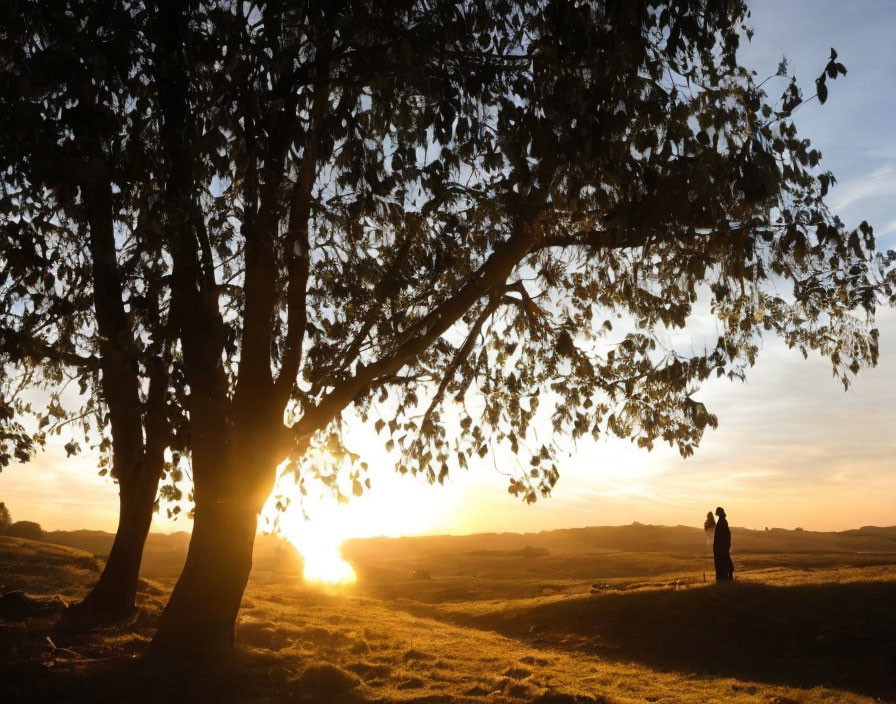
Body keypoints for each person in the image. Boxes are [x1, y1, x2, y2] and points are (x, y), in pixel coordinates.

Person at [712, 506, 733, 581]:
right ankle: (726, 576)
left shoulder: (722, 521)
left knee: (723, 559)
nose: (716, 512)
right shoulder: (722, 520)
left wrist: (723, 545)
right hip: (721, 545)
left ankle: (725, 576)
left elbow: (725, 534)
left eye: (717, 511)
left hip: (721, 546)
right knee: (724, 559)